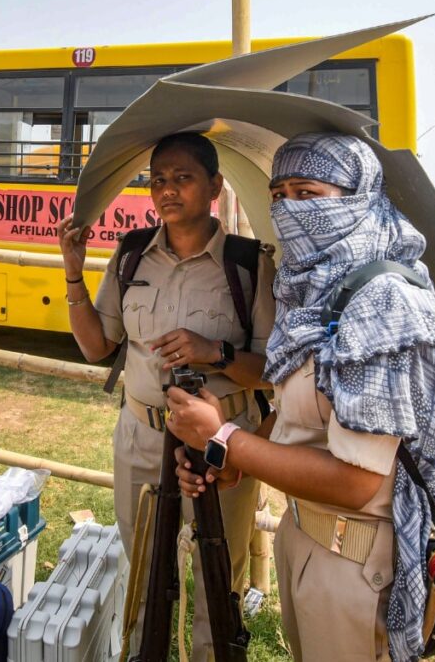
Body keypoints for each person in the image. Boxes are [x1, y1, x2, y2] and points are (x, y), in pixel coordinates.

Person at [166, 132, 435, 661]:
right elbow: (300, 411)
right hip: (306, 541)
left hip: (358, 566)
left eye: (309, 194)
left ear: (359, 198)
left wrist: (221, 436)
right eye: (279, 195)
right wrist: (231, 459)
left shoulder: (381, 303)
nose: (290, 210)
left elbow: (357, 482)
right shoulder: (313, 291)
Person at [59, 131, 275, 659]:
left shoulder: (249, 264)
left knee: (216, 573)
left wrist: (214, 351)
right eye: (158, 180)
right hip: (140, 438)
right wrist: (72, 270)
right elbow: (95, 346)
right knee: (145, 568)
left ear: (215, 187)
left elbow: (273, 372)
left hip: (223, 441)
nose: (168, 190)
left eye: (183, 178)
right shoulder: (132, 254)